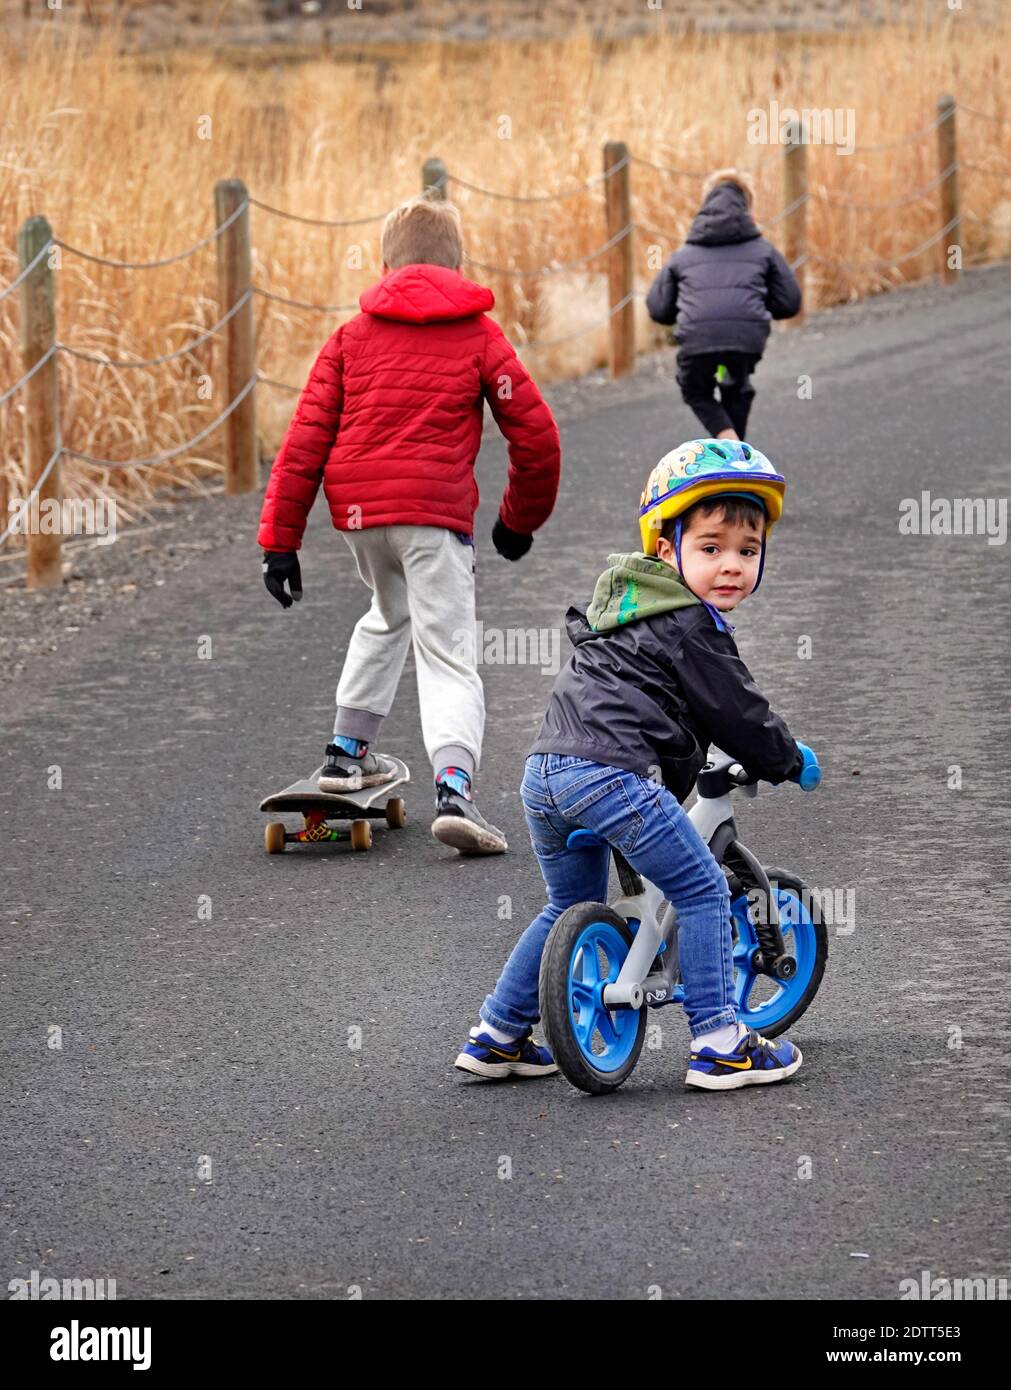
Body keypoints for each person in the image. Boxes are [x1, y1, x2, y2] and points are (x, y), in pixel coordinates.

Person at [456, 438, 812, 1090]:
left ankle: (498, 1034)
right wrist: (786, 760)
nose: (730, 565)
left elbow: (649, 702)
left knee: (567, 904)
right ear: (664, 548)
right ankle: (718, 1041)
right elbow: (738, 711)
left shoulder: (627, 610)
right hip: (611, 778)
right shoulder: (689, 622)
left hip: (547, 773)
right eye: (710, 548)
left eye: (747, 550)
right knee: (702, 889)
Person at [258, 194, 561, 855]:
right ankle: (454, 790)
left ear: (385, 263)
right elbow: (535, 435)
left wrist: (279, 545)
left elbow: (303, 442)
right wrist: (518, 520)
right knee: (447, 652)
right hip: (432, 516)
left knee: (386, 612)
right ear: (458, 262)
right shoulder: (479, 336)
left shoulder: (348, 338)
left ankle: (345, 752)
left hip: (361, 516)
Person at [645, 169, 802, 442]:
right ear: (747, 208)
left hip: (698, 339)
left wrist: (685, 312)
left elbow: (658, 309)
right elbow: (789, 302)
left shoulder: (683, 255)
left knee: (695, 389)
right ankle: (735, 452)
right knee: (737, 386)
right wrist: (756, 303)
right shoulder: (763, 250)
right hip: (746, 337)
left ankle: (728, 442)